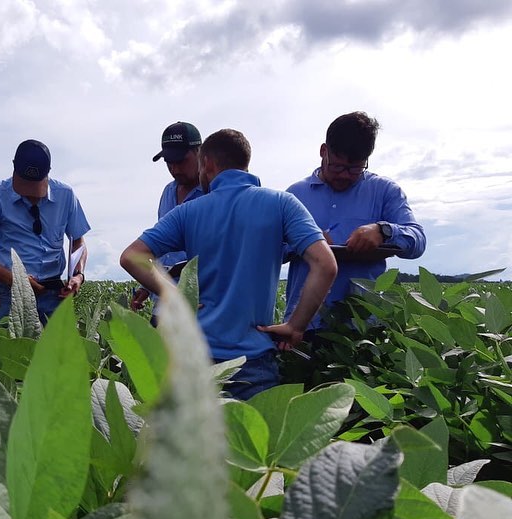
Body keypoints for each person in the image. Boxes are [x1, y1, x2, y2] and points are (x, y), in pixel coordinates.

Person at [120, 129, 337, 400]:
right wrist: (296, 326)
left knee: (192, 443)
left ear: (207, 163)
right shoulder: (282, 204)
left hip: (193, 359)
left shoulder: (188, 211)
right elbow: (325, 264)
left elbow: (132, 256)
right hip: (252, 363)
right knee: (252, 442)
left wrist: (174, 295)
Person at [284, 111, 426, 330]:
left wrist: (383, 231)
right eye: (337, 166)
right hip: (303, 326)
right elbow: (272, 249)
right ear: (323, 151)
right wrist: (305, 241)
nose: (344, 175)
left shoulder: (385, 191)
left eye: (355, 169)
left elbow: (417, 240)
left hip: (363, 327)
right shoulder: (294, 195)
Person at [0, 139, 90, 324]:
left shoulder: (66, 195)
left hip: (55, 294)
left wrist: (78, 275)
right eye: (24, 186)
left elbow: (78, 241)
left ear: (48, 174)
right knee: (12, 351)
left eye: (35, 186)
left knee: (57, 353)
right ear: (14, 169)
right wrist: (15, 280)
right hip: (10, 295)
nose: (29, 194)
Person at [131, 122, 204, 316]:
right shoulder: (168, 192)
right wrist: (146, 287)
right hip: (163, 302)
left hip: (199, 304)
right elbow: (161, 247)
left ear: (200, 152)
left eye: (181, 160)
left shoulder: (214, 193)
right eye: (169, 162)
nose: (175, 168)